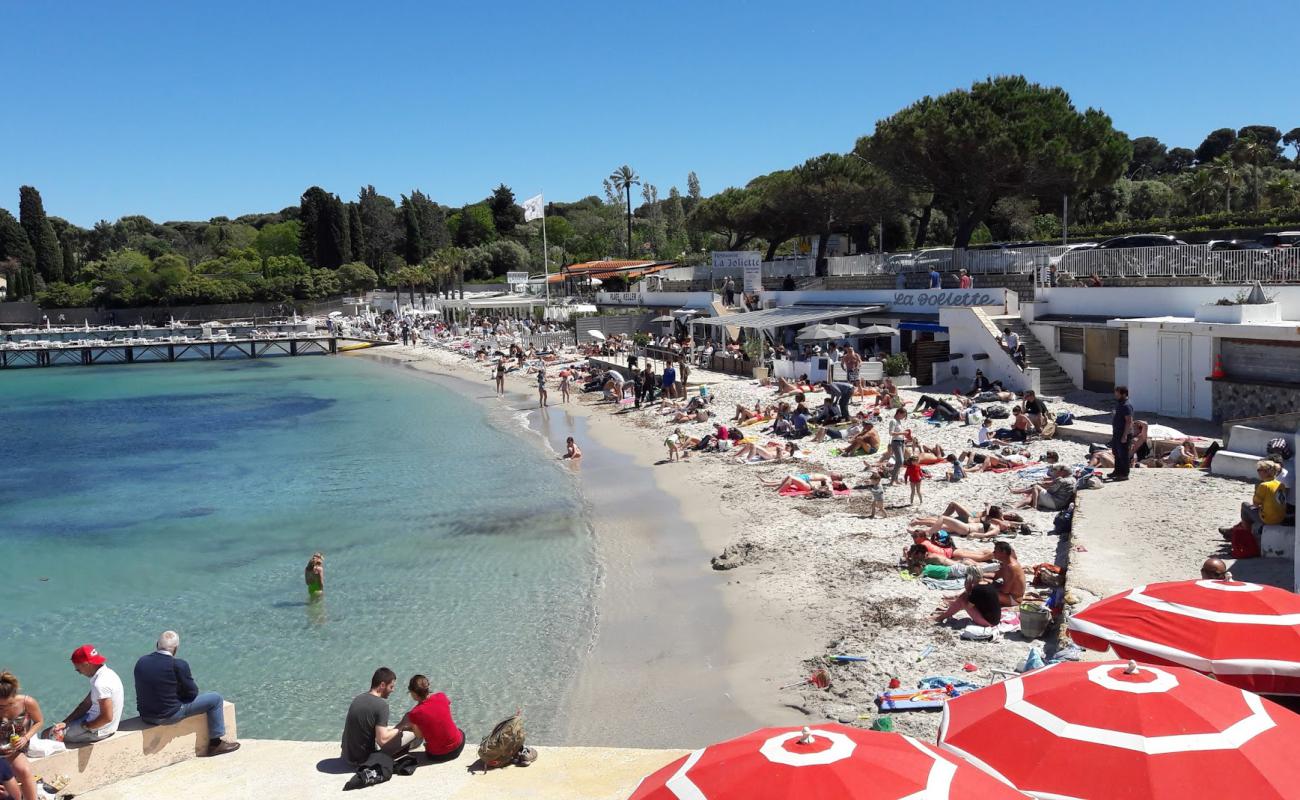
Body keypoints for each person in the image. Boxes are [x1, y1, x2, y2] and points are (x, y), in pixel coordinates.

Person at [135, 631, 239, 757]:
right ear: (176, 649)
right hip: (169, 715)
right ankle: (215, 744)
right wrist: (179, 698)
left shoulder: (141, 662)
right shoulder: (178, 664)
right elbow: (192, 693)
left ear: (157, 644)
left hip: (146, 715)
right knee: (215, 699)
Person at [47, 645, 124, 745]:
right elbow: (86, 704)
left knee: (49, 734)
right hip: (101, 725)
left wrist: (87, 726)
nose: (79, 673)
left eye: (78, 670)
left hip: (99, 731)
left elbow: (107, 717)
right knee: (58, 728)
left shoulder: (100, 684)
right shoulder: (109, 673)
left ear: (86, 664)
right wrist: (66, 722)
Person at [342, 668, 419, 766]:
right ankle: (400, 752)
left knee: (389, 729)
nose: (393, 690)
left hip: (347, 756)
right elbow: (382, 740)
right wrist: (402, 725)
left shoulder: (358, 698)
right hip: (363, 760)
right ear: (382, 685)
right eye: (391, 686)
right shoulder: (381, 706)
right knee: (413, 732)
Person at [1219, 460, 1287, 544]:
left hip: (1269, 519)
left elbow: (1255, 503)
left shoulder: (1264, 485)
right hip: (1280, 518)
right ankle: (1235, 532)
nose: (1258, 472)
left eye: (1259, 470)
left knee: (1245, 506)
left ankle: (1245, 535)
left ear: (1266, 472)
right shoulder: (1281, 484)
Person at [402, 675, 465, 763]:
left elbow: (419, 736)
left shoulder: (414, 713)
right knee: (460, 731)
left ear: (414, 693)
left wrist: (411, 724)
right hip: (458, 747)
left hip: (438, 755)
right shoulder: (441, 696)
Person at [0, 672, 42, 800]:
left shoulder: (27, 702)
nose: (5, 709)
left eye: (10, 704)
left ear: (15, 696)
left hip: (15, 747)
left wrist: (26, 738)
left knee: (24, 771)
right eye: (1, 706)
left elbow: (39, 721)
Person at [1108, 386, 1134, 481]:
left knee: (1123, 454)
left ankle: (1124, 474)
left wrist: (1125, 435)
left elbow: (1129, 421)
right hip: (1117, 433)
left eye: (1117, 394)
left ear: (1123, 394)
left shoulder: (1126, 405)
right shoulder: (1120, 404)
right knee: (1116, 452)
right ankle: (1117, 471)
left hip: (1123, 433)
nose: (1116, 395)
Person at [888, 408, 909, 483]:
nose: (903, 417)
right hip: (896, 442)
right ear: (899, 413)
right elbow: (891, 433)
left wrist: (904, 437)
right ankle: (892, 479)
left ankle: (895, 479)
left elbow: (898, 433)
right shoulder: (893, 421)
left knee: (899, 461)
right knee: (900, 461)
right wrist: (902, 433)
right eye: (903, 415)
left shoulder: (899, 421)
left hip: (901, 442)